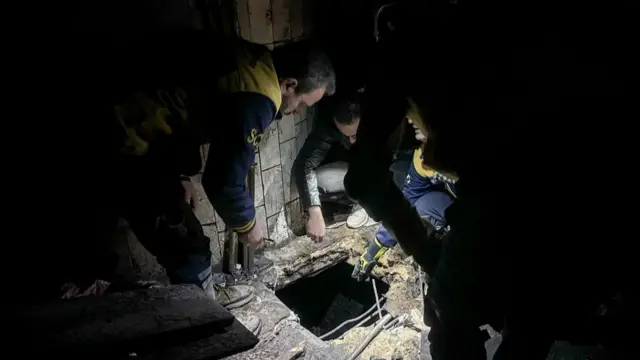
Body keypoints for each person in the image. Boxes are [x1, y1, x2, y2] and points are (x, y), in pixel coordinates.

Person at [36, 31, 336, 304]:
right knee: (188, 248)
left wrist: (181, 172)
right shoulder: (259, 96)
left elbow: (183, 105)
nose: (297, 112)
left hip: (123, 128)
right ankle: (204, 317)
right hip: (123, 147)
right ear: (289, 84)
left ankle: (93, 281)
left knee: (100, 236)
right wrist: (248, 224)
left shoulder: (253, 59)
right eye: (302, 104)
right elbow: (223, 182)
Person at [351, 122, 457, 281]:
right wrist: (374, 249)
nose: (410, 122)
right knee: (421, 204)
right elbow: (406, 204)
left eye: (417, 120)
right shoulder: (423, 156)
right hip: (453, 205)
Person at [293, 94, 370, 242]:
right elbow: (305, 164)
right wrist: (314, 210)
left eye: (355, 134)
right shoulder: (328, 126)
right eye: (345, 135)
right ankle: (357, 202)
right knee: (316, 185)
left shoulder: (383, 119)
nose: (351, 141)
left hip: (379, 172)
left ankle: (367, 204)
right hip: (348, 168)